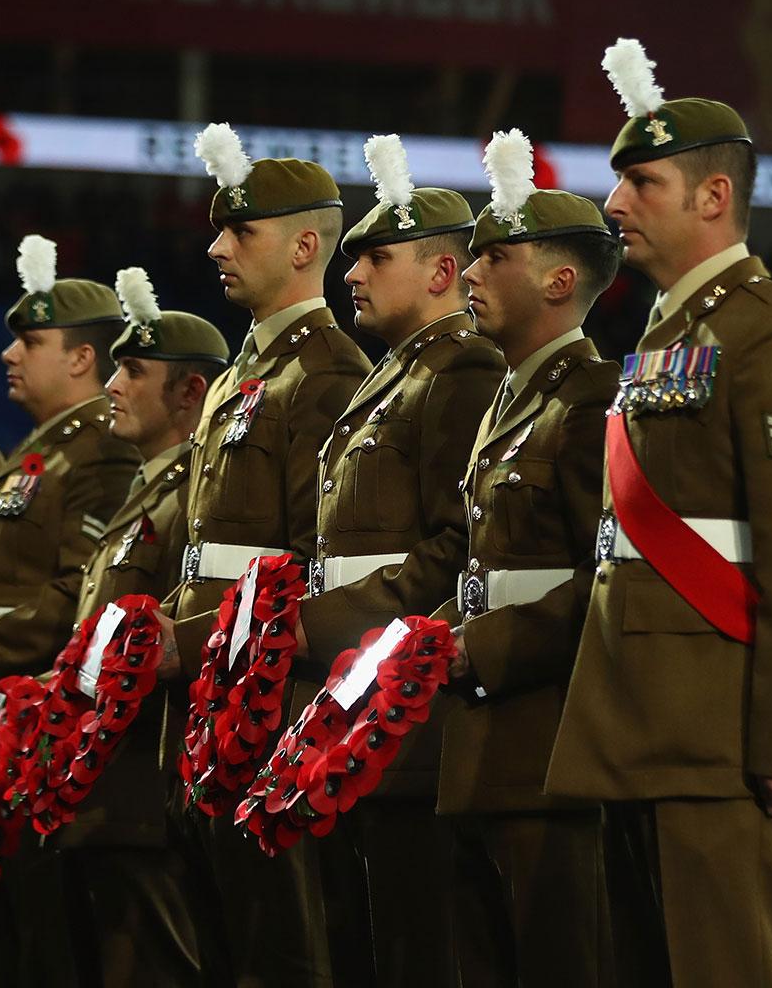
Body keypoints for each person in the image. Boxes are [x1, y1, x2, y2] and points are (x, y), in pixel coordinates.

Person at [545, 39, 772, 988]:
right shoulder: (666, 338)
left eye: (641, 182)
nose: (613, 207)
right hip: (647, 735)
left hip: (727, 744)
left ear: (713, 198)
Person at [156, 124, 370, 988]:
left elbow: (305, 563)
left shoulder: (324, 373)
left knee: (282, 946)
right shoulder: (248, 372)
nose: (215, 246)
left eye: (240, 232)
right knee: (224, 946)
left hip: (264, 696)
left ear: (306, 245)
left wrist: (208, 647)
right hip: (210, 685)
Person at [289, 134, 505, 988]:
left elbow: (460, 545)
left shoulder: (462, 371)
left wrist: (322, 627)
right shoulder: (397, 376)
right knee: (363, 943)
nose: (352, 275)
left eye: (376, 258)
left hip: (406, 710)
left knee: (416, 945)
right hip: (355, 692)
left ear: (441, 273)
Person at [434, 130, 623, 988]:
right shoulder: (510, 400)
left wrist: (487, 647)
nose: (468, 274)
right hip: (479, 745)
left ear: (558, 280)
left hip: (551, 752)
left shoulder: (590, 402)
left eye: (493, 255)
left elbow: (611, 583)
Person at [0, 237, 142, 988]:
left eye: (31, 341)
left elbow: (72, 602)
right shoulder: (41, 453)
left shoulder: (102, 455)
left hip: (32, 729)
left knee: (39, 944)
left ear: (83, 359)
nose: (9, 354)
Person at [54, 271, 227, 988]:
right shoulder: (149, 487)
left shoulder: (195, 489)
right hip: (109, 786)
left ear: (189, 392)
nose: (113, 385)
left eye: (133, 370)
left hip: (147, 789)